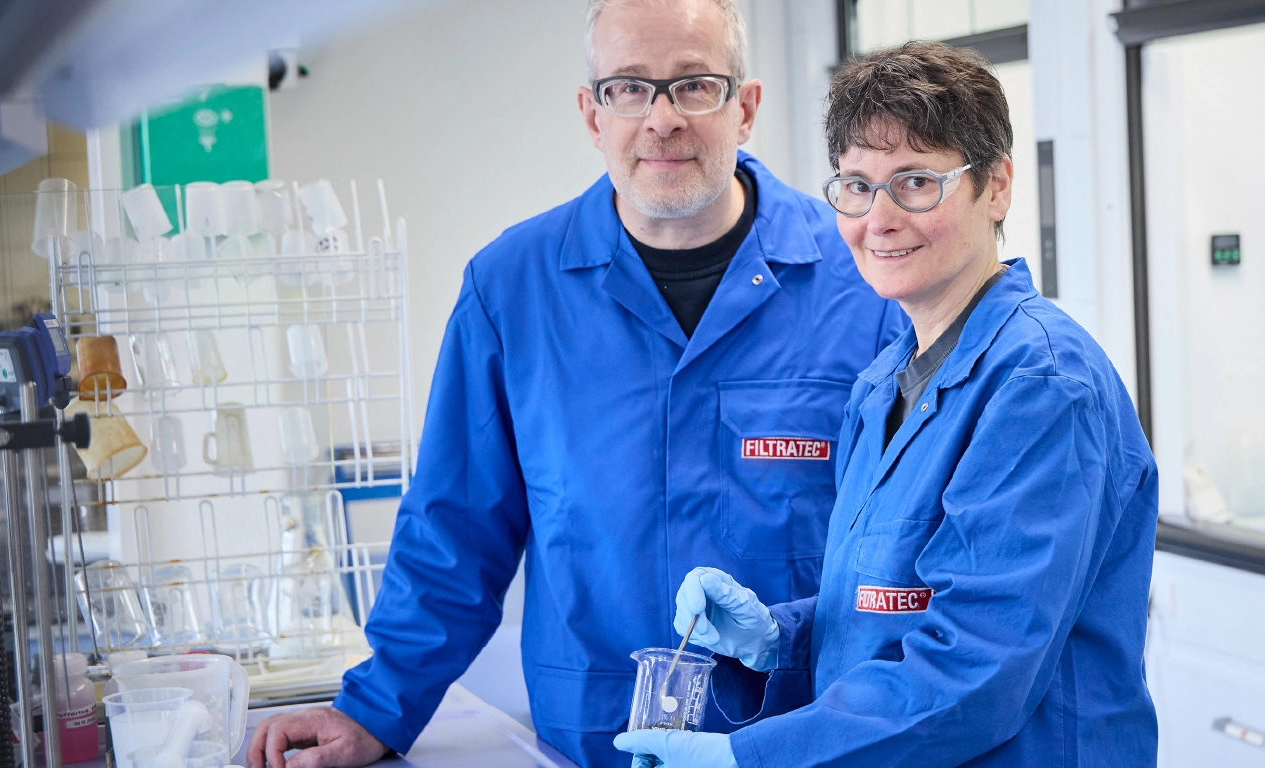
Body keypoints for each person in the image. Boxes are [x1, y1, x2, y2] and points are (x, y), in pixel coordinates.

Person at [246, 2, 902, 767]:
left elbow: (903, 540)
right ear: (592, 115)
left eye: (693, 85)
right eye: (628, 88)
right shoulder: (511, 289)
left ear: (745, 107)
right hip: (595, 735)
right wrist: (377, 707)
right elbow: (456, 529)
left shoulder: (862, 282)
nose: (661, 119)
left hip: (802, 736)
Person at [614, 41, 1159, 768]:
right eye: (856, 186)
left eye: (916, 183)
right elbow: (888, 608)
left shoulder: (1040, 385)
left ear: (996, 187)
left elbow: (972, 672)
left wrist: (752, 758)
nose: (880, 218)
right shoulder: (882, 386)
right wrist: (779, 638)